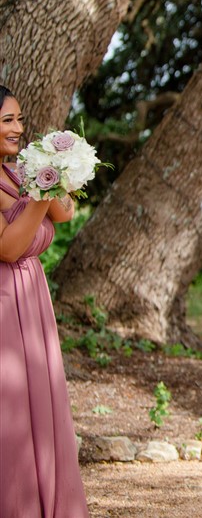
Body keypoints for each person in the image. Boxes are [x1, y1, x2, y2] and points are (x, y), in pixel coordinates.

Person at [0, 86, 90, 517]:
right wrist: (41, 188)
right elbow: (10, 248)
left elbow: (65, 212)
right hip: (3, 303)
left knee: (40, 405)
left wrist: (54, 169)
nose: (18, 129)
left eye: (19, 119)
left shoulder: (16, 172)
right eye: (6, 121)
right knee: (11, 409)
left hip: (31, 299)